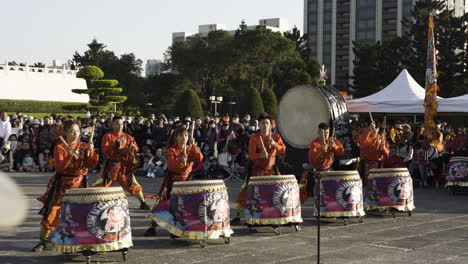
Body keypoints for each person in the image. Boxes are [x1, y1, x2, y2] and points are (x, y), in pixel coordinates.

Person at [32, 120, 98, 252]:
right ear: (66, 133)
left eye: (78, 131)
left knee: (82, 212)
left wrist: (91, 152)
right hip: (62, 184)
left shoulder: (84, 146)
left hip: (79, 183)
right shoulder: (60, 147)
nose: (76, 134)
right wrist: (69, 154)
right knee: (52, 212)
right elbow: (60, 167)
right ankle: (43, 241)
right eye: (72, 131)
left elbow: (91, 165)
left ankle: (81, 240)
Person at [144, 127, 203, 236]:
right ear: (176, 138)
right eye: (181, 136)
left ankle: (177, 229)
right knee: (164, 204)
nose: (183, 138)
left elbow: (199, 159)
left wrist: (194, 146)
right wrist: (181, 160)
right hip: (173, 181)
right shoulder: (172, 150)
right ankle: (153, 227)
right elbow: (172, 165)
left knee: (183, 206)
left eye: (185, 135)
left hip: (185, 181)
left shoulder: (190, 149)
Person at [232, 113, 286, 224]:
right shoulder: (254, 138)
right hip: (256, 171)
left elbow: (283, 151)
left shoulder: (276, 137)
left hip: (271, 171)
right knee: (244, 192)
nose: (265, 125)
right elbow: (251, 155)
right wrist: (260, 155)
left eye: (267, 123)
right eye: (262, 123)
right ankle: (238, 216)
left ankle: (279, 214)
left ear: (270, 125)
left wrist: (275, 144)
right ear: (259, 125)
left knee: (279, 192)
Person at [93, 116, 150, 210]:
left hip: (124, 167)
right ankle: (95, 202)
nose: (119, 126)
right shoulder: (107, 136)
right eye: (117, 124)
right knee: (100, 183)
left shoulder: (128, 137)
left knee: (133, 184)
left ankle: (142, 202)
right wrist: (114, 146)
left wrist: (132, 148)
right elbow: (105, 150)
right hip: (110, 166)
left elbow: (136, 149)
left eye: (121, 124)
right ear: (112, 124)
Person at [300, 123, 344, 202]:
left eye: (327, 132)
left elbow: (341, 152)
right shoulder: (314, 143)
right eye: (323, 133)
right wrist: (321, 150)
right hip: (316, 172)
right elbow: (312, 158)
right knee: (317, 193)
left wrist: (334, 147)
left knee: (332, 192)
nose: (325, 135)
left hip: (328, 170)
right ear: (318, 132)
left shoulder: (332, 141)